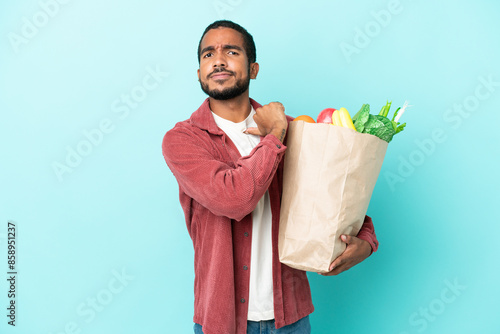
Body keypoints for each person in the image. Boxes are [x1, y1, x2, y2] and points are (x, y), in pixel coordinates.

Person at [162, 20, 379, 334]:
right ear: (199, 73)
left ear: (253, 69)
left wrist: (367, 241)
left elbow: (333, 193)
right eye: (208, 55)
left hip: (290, 316)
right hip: (222, 321)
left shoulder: (296, 130)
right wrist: (275, 135)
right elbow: (235, 200)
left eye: (231, 52)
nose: (219, 60)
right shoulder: (184, 140)